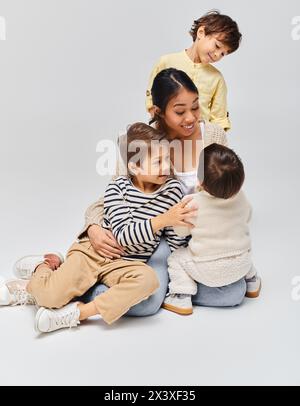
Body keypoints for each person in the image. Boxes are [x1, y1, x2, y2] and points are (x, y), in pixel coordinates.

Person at [0, 122, 196, 334]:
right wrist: (165, 219)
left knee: (149, 280)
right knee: (50, 297)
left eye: (168, 158)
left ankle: (78, 313)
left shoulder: (173, 190)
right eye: (158, 161)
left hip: (126, 263)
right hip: (93, 254)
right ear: (134, 167)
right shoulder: (117, 188)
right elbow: (122, 236)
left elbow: (175, 236)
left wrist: (183, 230)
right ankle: (43, 267)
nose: (166, 167)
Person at [82, 68, 247, 314]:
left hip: (199, 240)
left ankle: (166, 286)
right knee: (147, 304)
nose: (190, 117)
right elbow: (114, 194)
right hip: (152, 239)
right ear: (158, 112)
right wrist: (93, 227)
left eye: (195, 106)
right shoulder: (143, 143)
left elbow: (226, 189)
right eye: (180, 111)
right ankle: (90, 287)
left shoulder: (213, 135)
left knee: (233, 293)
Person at [163, 143, 261, 316]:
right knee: (239, 245)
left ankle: (181, 296)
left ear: (199, 181)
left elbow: (180, 232)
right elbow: (248, 216)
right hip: (242, 265)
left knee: (176, 258)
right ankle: (252, 281)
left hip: (207, 269)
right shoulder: (242, 197)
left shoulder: (192, 202)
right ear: (240, 180)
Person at [145, 11, 242, 131]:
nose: (217, 54)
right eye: (217, 46)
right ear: (201, 33)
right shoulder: (166, 62)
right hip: (166, 135)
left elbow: (219, 118)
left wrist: (213, 142)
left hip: (199, 139)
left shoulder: (217, 78)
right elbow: (151, 101)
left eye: (223, 53)